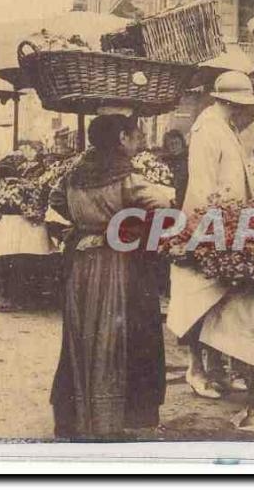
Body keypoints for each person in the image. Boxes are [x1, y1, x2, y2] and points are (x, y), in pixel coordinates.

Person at [49, 115, 173, 438]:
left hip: (80, 264)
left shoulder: (74, 174)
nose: (139, 142)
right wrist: (126, 226)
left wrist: (83, 223)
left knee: (81, 335)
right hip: (116, 263)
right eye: (135, 136)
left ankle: (79, 416)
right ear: (121, 138)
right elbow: (162, 204)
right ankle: (109, 420)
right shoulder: (127, 177)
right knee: (113, 335)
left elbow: (55, 200)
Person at [167, 70, 254, 399]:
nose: (245, 112)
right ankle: (196, 368)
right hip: (207, 229)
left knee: (224, 302)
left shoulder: (226, 128)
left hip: (230, 226)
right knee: (198, 302)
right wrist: (214, 232)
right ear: (229, 102)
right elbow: (204, 186)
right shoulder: (208, 130)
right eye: (241, 105)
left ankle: (218, 367)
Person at [161, 129, 189, 209]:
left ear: (182, 143)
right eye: (170, 144)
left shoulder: (188, 159)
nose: (174, 147)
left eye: (176, 143)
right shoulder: (165, 161)